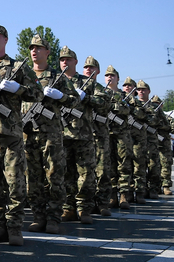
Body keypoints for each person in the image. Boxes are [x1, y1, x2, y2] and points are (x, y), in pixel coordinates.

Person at [0, 20, 42, 247]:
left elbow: (38, 94)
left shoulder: (17, 67)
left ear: (5, 39)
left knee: (14, 181)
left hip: (10, 133)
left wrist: (19, 89)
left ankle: (14, 227)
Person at [22, 34, 78, 235]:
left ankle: (54, 217)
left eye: (39, 48)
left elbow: (74, 102)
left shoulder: (57, 78)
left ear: (47, 52)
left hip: (51, 134)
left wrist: (61, 96)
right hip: (27, 133)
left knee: (54, 175)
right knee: (33, 178)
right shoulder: (24, 75)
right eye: (32, 48)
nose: (34, 51)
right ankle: (38, 216)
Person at [58, 47, 105, 224]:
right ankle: (68, 208)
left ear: (75, 62)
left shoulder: (88, 83)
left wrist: (86, 97)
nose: (65, 62)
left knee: (85, 174)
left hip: (83, 135)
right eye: (62, 59)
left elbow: (104, 102)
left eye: (68, 59)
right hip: (61, 135)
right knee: (64, 174)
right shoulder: (56, 81)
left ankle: (84, 208)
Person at [81, 56, 113, 216]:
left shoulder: (101, 89)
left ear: (98, 71)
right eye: (86, 67)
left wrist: (86, 99)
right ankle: (85, 202)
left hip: (99, 135)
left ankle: (102, 203)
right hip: (81, 135)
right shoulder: (75, 86)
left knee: (102, 170)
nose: (88, 69)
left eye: (92, 68)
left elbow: (105, 105)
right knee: (84, 172)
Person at [103, 65, 132, 210]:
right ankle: (113, 194)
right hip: (106, 133)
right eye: (107, 75)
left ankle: (124, 195)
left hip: (122, 135)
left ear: (118, 79)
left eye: (112, 76)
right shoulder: (101, 93)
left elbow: (127, 109)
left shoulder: (123, 95)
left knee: (124, 164)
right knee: (110, 165)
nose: (110, 78)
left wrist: (111, 107)